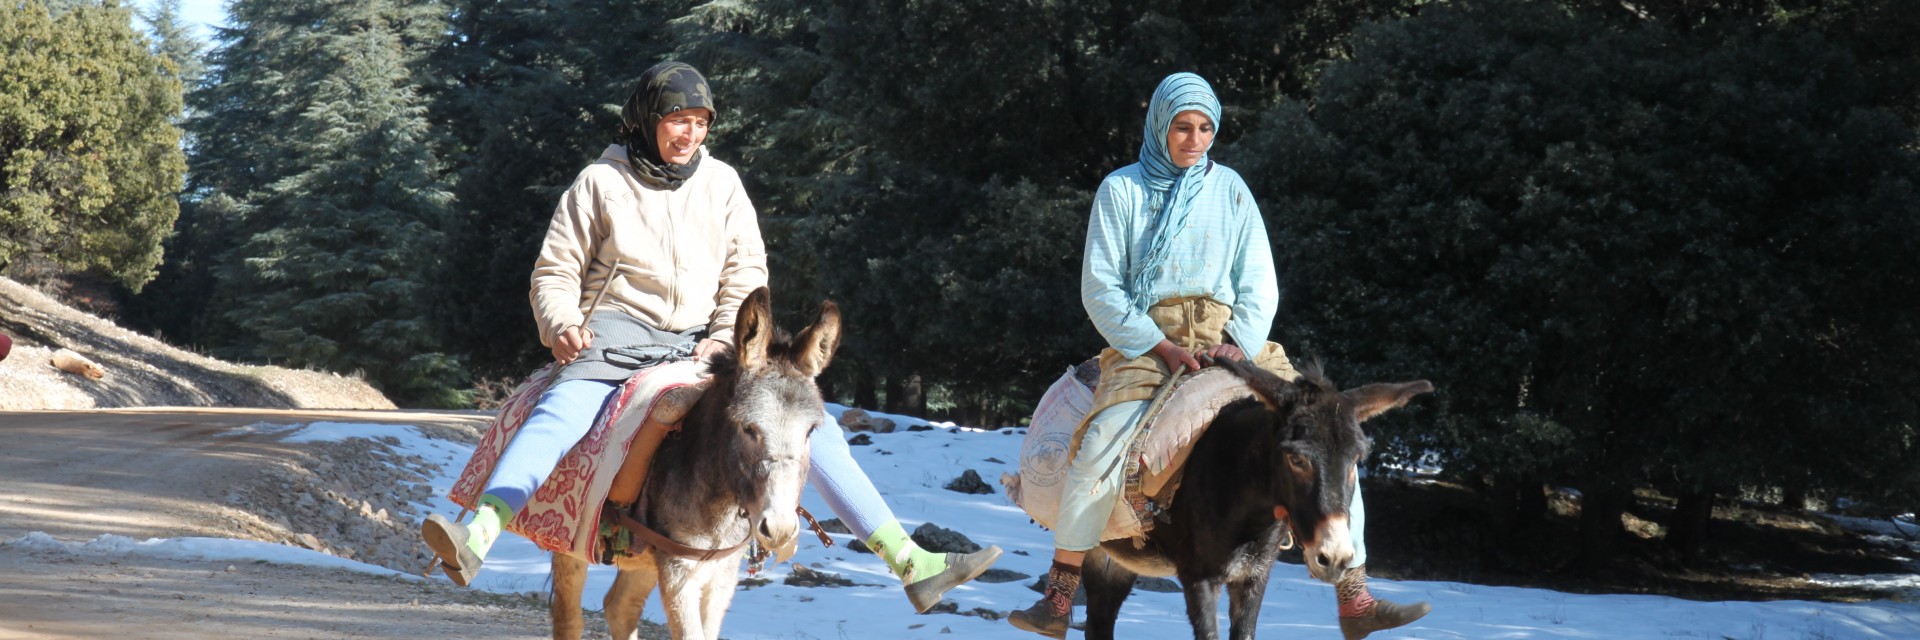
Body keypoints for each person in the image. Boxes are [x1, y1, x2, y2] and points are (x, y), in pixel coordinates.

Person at [420, 61, 1000, 613]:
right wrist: (563, 324)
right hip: (611, 340)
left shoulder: (722, 184)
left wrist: (724, 337)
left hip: (702, 345)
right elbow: (555, 270)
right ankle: (477, 535)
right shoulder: (599, 182)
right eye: (677, 120)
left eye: (699, 123)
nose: (689, 134)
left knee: (799, 425)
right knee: (559, 416)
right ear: (646, 120)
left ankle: (910, 563)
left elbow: (747, 273)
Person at [1007, 72, 1430, 639]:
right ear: (1160, 126)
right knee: (1100, 444)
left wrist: (1242, 342)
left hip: (1232, 336)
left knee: (1332, 435)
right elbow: (1101, 288)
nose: (1195, 139)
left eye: (1206, 128)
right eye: (1182, 127)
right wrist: (1157, 344)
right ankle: (1060, 594)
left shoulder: (1231, 189)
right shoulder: (1122, 190)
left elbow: (1259, 283)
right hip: (1145, 340)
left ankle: (1354, 595)